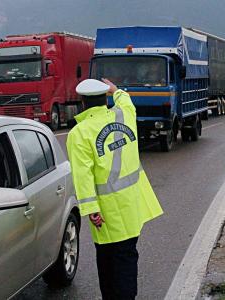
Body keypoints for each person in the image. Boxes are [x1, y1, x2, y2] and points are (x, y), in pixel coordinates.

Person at [66, 78, 163, 300]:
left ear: (83, 103)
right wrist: (116, 89)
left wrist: (91, 208)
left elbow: (83, 176)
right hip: (132, 206)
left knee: (111, 264)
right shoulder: (124, 115)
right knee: (124, 259)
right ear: (105, 99)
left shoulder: (80, 133)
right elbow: (127, 101)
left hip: (107, 213)